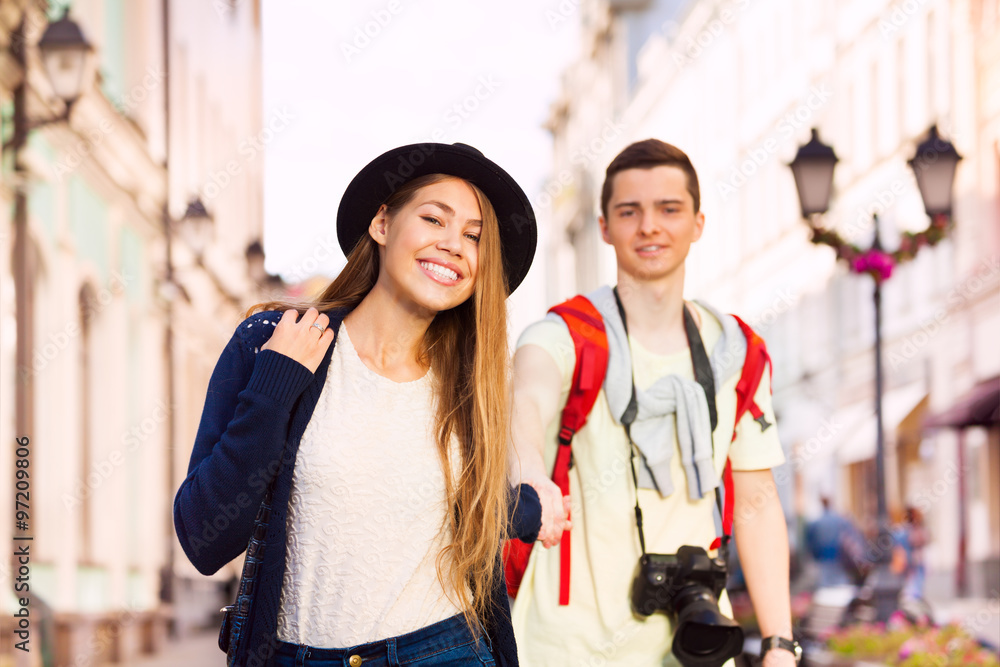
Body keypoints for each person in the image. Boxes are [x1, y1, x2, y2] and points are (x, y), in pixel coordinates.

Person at [173, 142, 542, 667]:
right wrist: (274, 388)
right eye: (434, 218)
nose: (453, 244)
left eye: (474, 236)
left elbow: (467, 510)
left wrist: (534, 504)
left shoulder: (472, 386)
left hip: (444, 651)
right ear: (382, 224)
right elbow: (204, 539)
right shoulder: (273, 343)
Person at [508, 139, 799, 666]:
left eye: (669, 209)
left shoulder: (735, 351)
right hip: (566, 649)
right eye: (629, 211)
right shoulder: (567, 334)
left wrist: (779, 643)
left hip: (698, 646)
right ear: (604, 227)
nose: (649, 226)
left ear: (698, 222)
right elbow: (524, 397)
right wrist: (528, 473)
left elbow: (757, 500)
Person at [805, 497, 861, 588]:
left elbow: (810, 542)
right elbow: (852, 538)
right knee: (840, 586)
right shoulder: (840, 521)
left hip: (823, 559)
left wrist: (815, 556)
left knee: (825, 586)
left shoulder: (815, 523)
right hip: (839, 559)